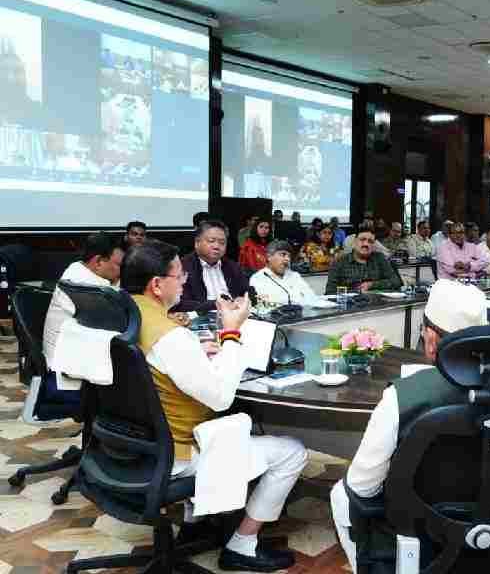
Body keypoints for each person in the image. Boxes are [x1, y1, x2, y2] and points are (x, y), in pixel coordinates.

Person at [120, 240, 308, 572]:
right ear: (157, 285)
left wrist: (195, 350)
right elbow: (220, 397)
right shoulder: (170, 337)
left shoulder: (124, 314)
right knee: (292, 452)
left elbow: (161, 364)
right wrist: (231, 332)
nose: (184, 281)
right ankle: (242, 546)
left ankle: (197, 522)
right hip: (174, 454)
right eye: (179, 275)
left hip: (130, 445)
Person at [330, 280, 489, 572]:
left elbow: (362, 486)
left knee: (342, 495)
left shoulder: (402, 396)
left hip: (419, 530)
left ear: (431, 339)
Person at [44, 233, 124, 371]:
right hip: (69, 371)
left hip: (59, 360)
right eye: (119, 265)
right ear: (98, 261)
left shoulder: (76, 269)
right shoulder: (92, 288)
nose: (122, 271)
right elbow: (121, 325)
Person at [176, 220, 250, 313]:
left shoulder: (233, 266)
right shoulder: (182, 267)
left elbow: (247, 291)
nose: (216, 246)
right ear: (197, 243)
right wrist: (215, 304)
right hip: (201, 317)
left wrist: (243, 298)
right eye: (211, 241)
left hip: (235, 314)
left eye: (222, 242)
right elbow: (179, 302)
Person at [326, 228, 402, 294]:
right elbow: (330, 292)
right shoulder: (340, 262)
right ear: (354, 242)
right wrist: (356, 291)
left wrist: (371, 285)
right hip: (350, 304)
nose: (366, 244)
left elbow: (396, 282)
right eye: (362, 240)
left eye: (370, 241)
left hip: (377, 303)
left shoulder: (380, 258)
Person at [249, 241, 318, 305]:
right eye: (283, 254)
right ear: (269, 257)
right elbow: (265, 304)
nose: (287, 259)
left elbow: (312, 298)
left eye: (289, 256)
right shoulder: (258, 278)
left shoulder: (295, 276)